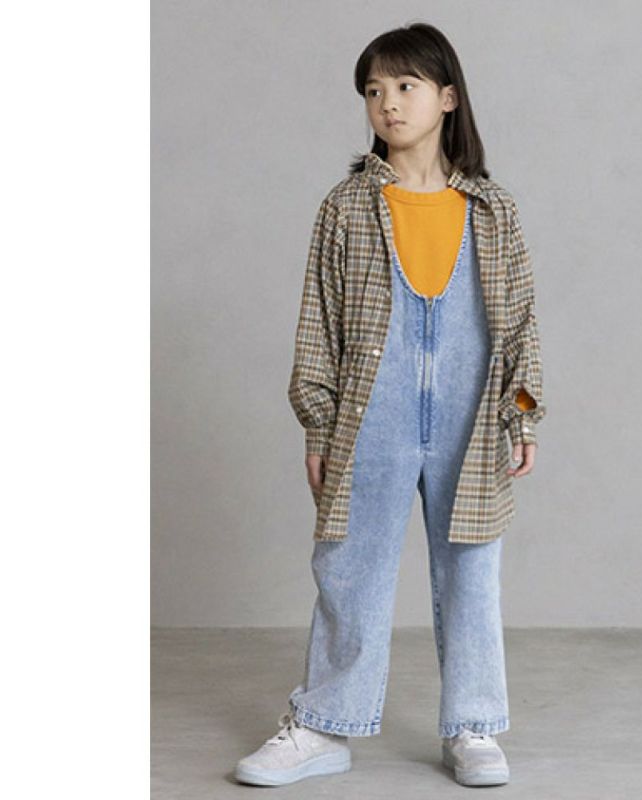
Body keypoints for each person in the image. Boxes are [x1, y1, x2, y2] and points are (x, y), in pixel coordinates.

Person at [235, 21, 546, 788]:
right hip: (370, 413)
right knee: (349, 568)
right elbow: (318, 324)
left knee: (472, 570)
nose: (388, 103)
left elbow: (519, 326)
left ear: (448, 98)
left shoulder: (493, 211)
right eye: (374, 91)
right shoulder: (347, 207)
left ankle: (473, 726)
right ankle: (323, 725)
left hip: (471, 415)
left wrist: (522, 413)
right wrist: (318, 426)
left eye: (406, 86)